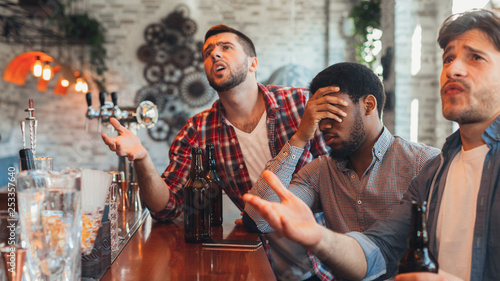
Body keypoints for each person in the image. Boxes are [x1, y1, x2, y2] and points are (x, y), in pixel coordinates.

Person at [244, 9, 500, 281]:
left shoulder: (421, 163)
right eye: (448, 59)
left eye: (475, 57)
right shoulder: (436, 172)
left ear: (368, 105)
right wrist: (319, 237)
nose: (454, 69)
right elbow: (381, 248)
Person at [101, 24, 333, 277]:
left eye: (226, 47)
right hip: (264, 268)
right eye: (207, 52)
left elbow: (339, 176)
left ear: (253, 63)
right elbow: (166, 208)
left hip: (326, 263)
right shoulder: (198, 129)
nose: (214, 54)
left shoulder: (301, 103)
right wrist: (142, 158)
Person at [243, 62, 440, 281]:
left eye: (332, 111)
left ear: (368, 105)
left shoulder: (422, 163)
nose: (323, 125)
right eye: (318, 115)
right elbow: (257, 221)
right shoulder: (320, 171)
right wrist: (300, 137)